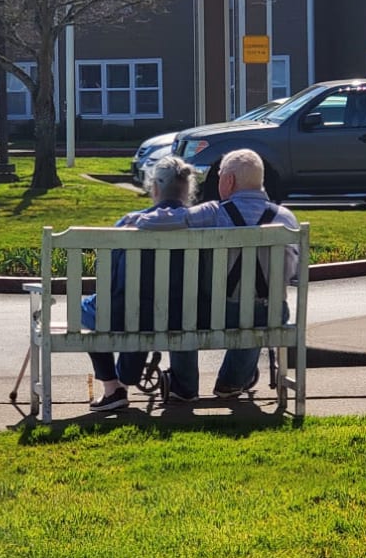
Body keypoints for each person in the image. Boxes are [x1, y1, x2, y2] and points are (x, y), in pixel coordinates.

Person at [126, 148, 300, 398]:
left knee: (185, 312)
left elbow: (172, 219)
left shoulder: (214, 212)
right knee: (259, 314)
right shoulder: (286, 219)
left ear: (228, 180)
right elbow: (294, 271)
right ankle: (232, 381)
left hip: (217, 314)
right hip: (269, 314)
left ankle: (184, 386)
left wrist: (137, 220)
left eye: (219, 177)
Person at [82, 156, 199, 411]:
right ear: (188, 189)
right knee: (153, 308)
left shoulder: (129, 223)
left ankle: (114, 387)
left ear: (154, 187)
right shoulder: (202, 225)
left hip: (134, 315)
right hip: (187, 316)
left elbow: (110, 283)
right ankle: (176, 385)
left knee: (92, 308)